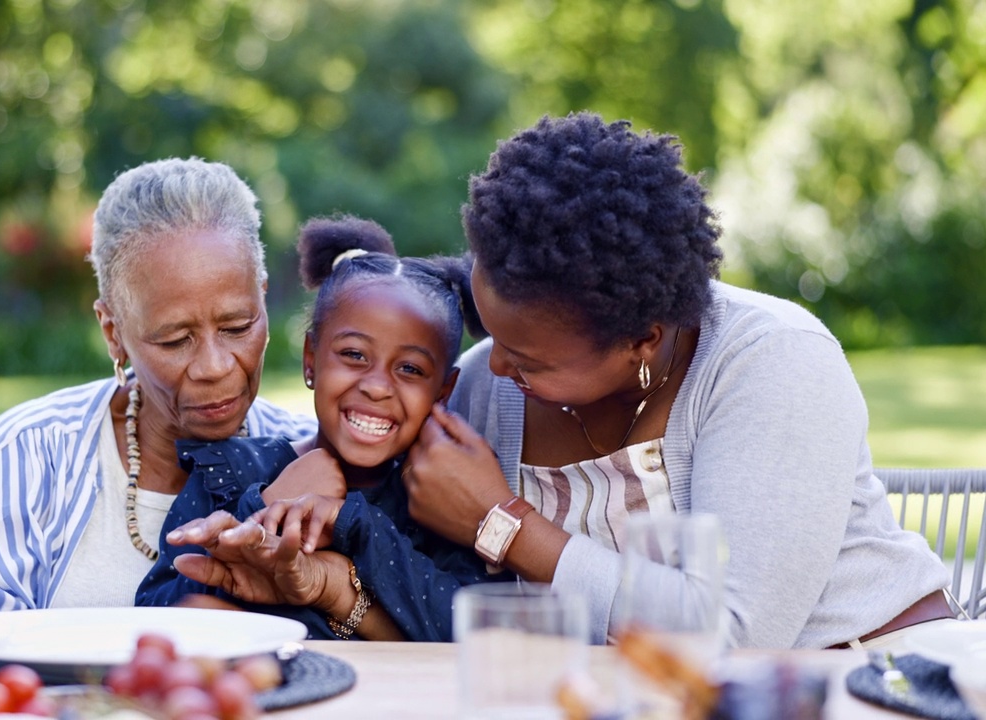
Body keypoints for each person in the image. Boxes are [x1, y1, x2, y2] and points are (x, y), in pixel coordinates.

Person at [402, 112, 954, 650]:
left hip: (870, 676)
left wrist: (503, 525)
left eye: (529, 359)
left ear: (643, 338)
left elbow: (738, 635)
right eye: (493, 335)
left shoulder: (769, 360)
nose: (494, 365)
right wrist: (320, 471)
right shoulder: (484, 385)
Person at [0, 158, 314, 631]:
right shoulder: (31, 453)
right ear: (113, 332)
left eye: (237, 326)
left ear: (263, 301)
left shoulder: (308, 459)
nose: (215, 366)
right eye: (174, 339)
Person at [136, 215, 501, 641]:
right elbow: (157, 612)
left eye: (409, 368)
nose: (378, 387)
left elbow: (473, 629)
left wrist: (354, 524)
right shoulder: (231, 471)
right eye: (354, 355)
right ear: (311, 359)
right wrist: (267, 505)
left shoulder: (439, 500)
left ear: (443, 390)